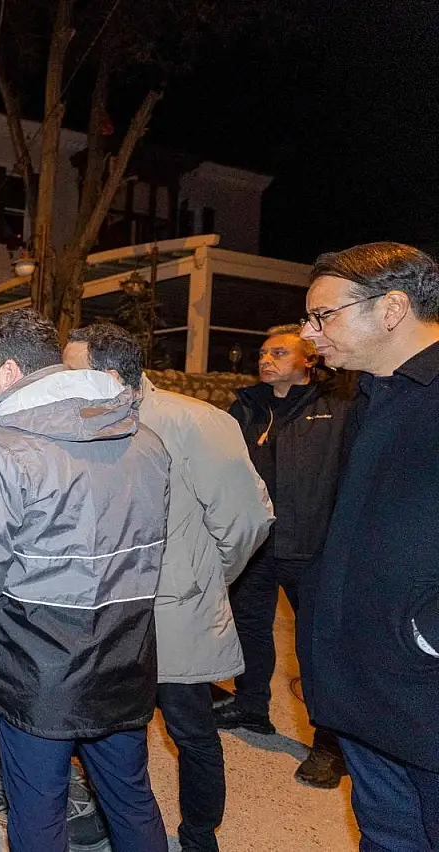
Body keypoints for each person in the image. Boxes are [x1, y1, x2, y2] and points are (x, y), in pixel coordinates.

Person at [0, 308, 171, 852]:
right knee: (131, 800)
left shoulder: (4, 451)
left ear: (11, 372)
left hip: (38, 672)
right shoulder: (146, 440)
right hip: (125, 658)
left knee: (37, 810)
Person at [65, 323, 273, 852]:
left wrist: (203, 578)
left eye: (71, 372)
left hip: (172, 612)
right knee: (110, 730)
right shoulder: (81, 424)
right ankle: (120, 818)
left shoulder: (196, 422)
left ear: (111, 376)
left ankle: (199, 834)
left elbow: (246, 520)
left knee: (190, 730)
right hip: (106, 612)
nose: (61, 383)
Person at [297, 242, 439, 851]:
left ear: (392, 309)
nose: (308, 334)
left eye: (322, 315)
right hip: (365, 690)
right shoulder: (373, 397)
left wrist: (425, 635)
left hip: (424, 691)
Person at [216, 324, 356, 788]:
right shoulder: (246, 407)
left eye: (279, 352)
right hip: (258, 541)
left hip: (313, 544)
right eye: (262, 352)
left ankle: (330, 744)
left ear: (309, 361)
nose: (266, 359)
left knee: (315, 645)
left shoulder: (338, 408)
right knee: (250, 626)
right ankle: (251, 705)